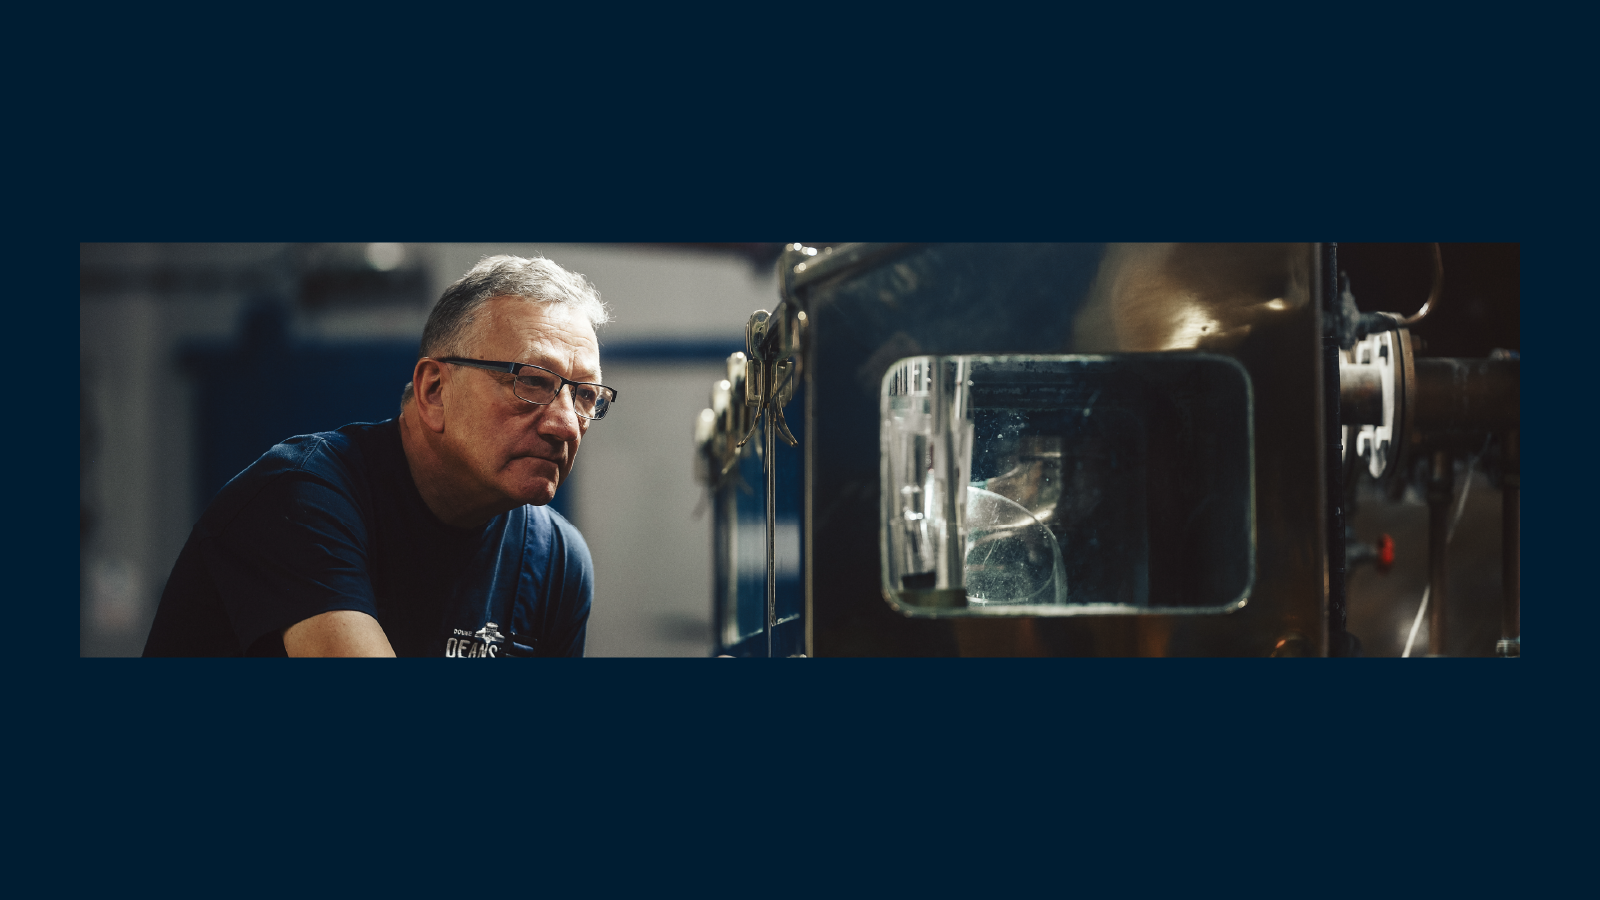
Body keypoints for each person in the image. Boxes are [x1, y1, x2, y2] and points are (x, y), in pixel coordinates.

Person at [143, 254, 616, 657]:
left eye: (586, 396)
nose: (566, 424)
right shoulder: (301, 497)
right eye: (532, 381)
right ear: (434, 390)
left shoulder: (556, 559)